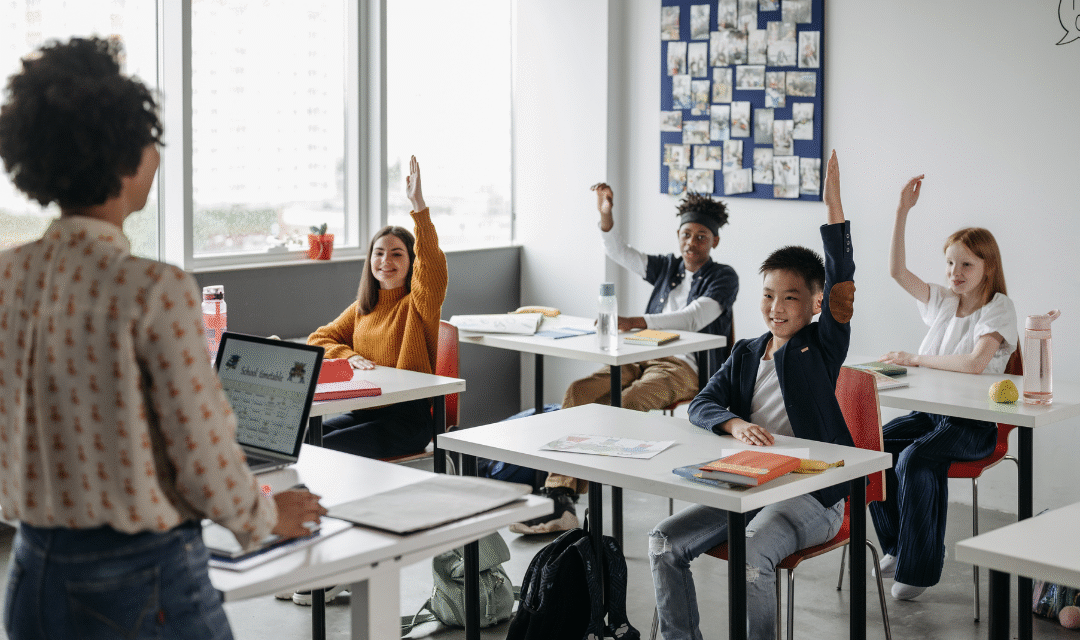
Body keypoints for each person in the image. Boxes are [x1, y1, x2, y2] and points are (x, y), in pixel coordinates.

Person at [0, 37, 325, 640]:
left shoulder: (8, 276)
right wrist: (264, 516)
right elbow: (201, 453)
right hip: (140, 582)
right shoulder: (154, 289)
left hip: (30, 574)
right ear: (126, 160)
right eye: (152, 142)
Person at [649, 150, 851, 640]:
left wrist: (834, 210)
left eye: (791, 297)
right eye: (768, 295)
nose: (776, 307)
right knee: (662, 543)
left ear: (815, 303)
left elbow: (843, 283)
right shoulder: (745, 351)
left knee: (752, 551)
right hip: (750, 483)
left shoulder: (820, 346)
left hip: (814, 493)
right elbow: (701, 404)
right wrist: (734, 424)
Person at [510, 184, 740, 536]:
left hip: (684, 367)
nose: (692, 243)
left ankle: (563, 497)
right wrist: (605, 214)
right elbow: (619, 251)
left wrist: (636, 321)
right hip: (638, 353)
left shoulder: (723, 277)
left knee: (625, 403)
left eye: (702, 237)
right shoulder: (668, 268)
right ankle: (561, 495)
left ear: (715, 242)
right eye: (687, 235)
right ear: (678, 236)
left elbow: (695, 317)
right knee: (580, 391)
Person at [869, 174, 1018, 601]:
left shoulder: (999, 309)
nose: (955, 273)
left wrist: (914, 359)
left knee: (916, 459)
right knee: (873, 447)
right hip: (932, 414)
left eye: (967, 264)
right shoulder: (942, 302)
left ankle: (917, 571)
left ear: (988, 267)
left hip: (974, 423)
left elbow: (974, 365)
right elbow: (896, 271)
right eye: (950, 263)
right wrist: (902, 212)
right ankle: (897, 547)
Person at [306, 155, 448, 459]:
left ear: (411, 262)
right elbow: (318, 339)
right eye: (379, 253)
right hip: (366, 411)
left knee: (323, 451)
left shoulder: (419, 304)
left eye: (397, 254)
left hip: (408, 421)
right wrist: (349, 356)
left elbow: (433, 267)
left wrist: (419, 207)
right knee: (301, 439)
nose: (386, 262)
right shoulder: (363, 308)